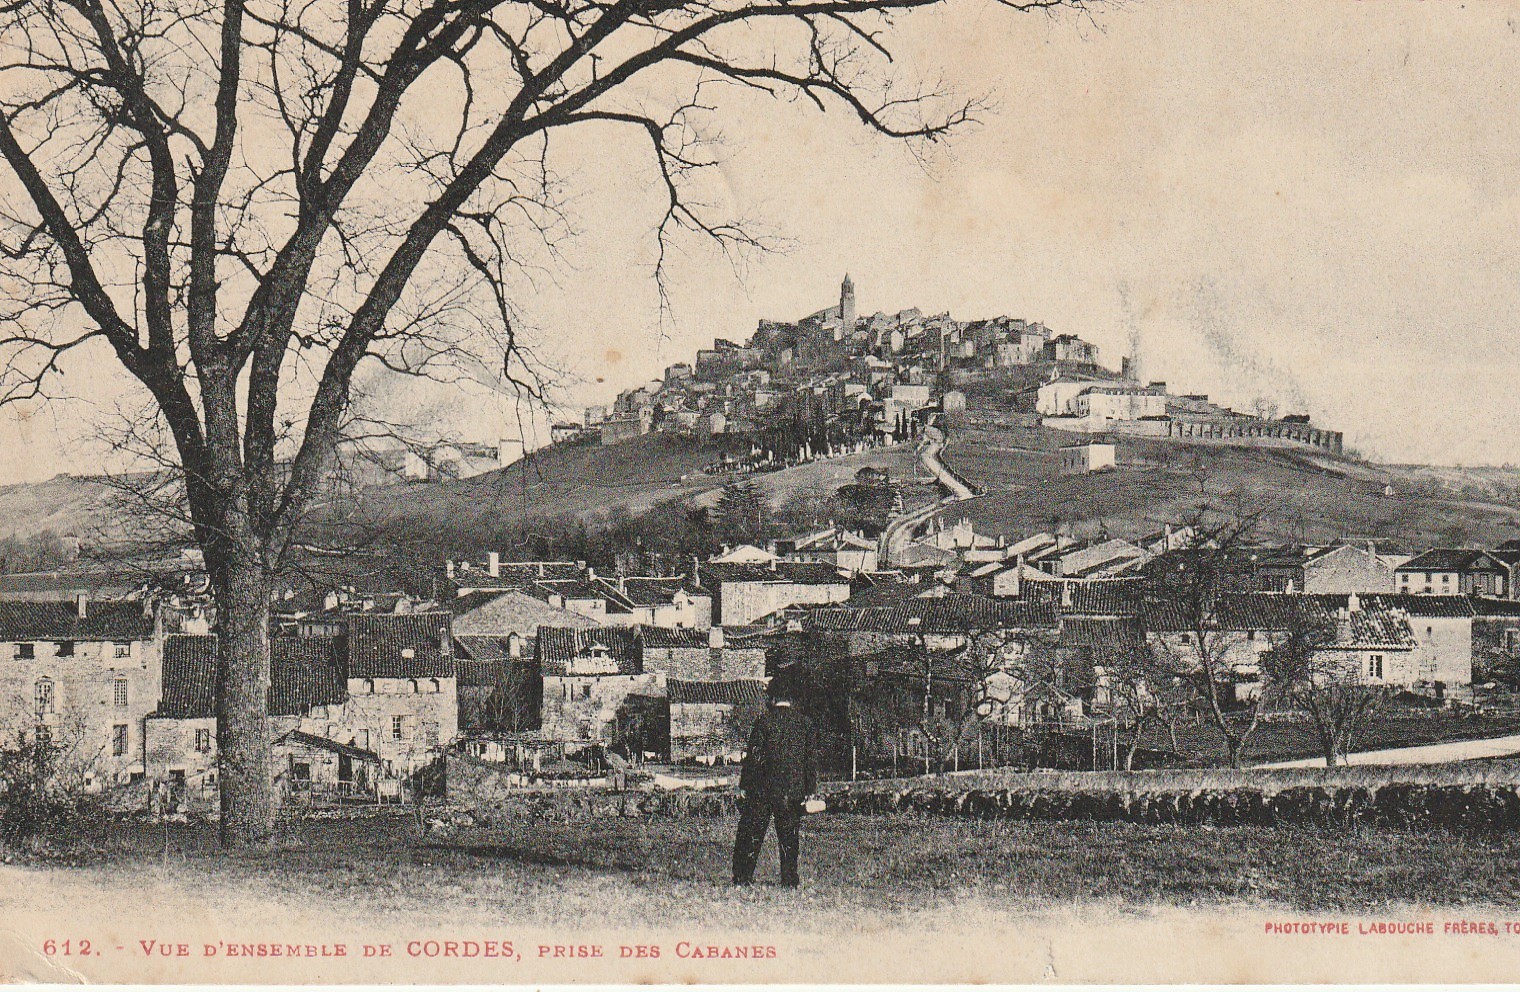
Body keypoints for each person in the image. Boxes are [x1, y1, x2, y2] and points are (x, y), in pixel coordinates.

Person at [732, 665, 817, 887]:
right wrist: (810, 790)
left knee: (752, 834)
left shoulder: (764, 722)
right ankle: (790, 879)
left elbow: (753, 758)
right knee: (789, 837)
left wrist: (744, 785)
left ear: (772, 698)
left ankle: (743, 878)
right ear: (791, 698)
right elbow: (810, 761)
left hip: (763, 789)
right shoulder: (805, 724)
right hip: (792, 790)